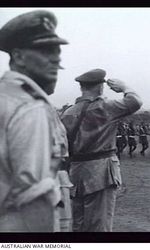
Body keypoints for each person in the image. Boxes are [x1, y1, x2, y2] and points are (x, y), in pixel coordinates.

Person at [0, 10, 70, 232]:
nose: (57, 58)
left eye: (58, 51)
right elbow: (34, 198)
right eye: (46, 50)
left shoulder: (5, 96)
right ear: (19, 56)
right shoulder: (30, 107)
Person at [61, 69, 142, 232]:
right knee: (100, 226)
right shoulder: (104, 107)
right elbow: (135, 101)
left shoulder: (67, 113)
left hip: (75, 176)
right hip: (101, 175)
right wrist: (124, 87)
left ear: (82, 88)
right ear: (100, 88)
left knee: (79, 226)